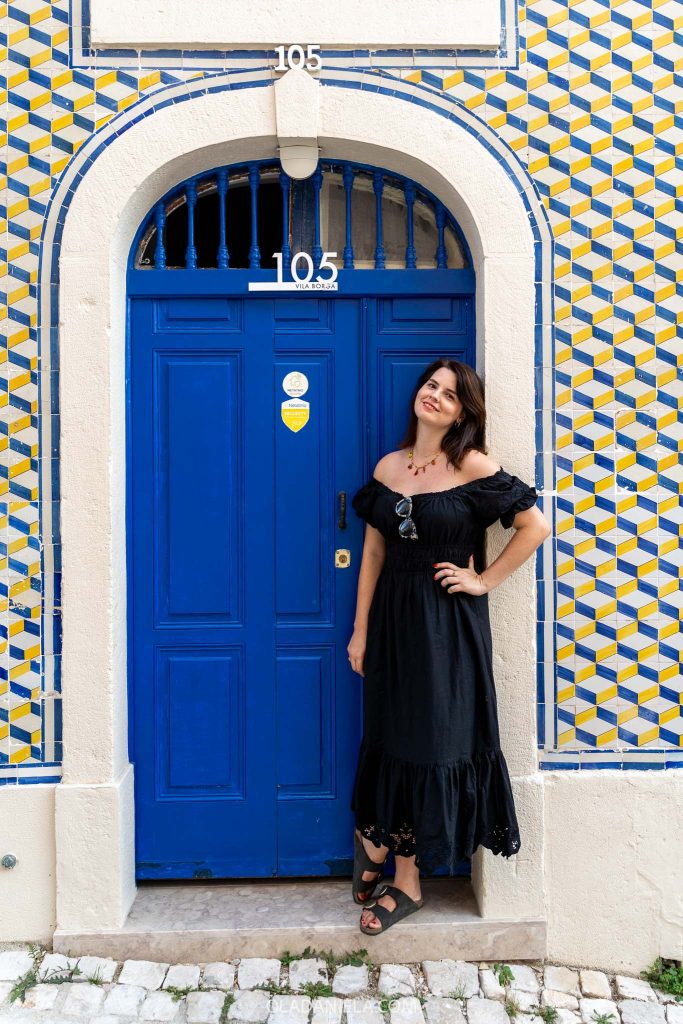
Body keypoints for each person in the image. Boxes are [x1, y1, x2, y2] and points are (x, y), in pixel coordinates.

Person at [347, 357, 551, 936]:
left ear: (465, 412)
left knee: (430, 743)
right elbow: (374, 556)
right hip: (392, 623)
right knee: (391, 734)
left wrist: (483, 581)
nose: (434, 396)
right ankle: (376, 844)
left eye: (450, 394)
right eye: (430, 385)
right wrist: (361, 631)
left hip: (447, 631)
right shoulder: (389, 466)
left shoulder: (474, 466)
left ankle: (404, 879)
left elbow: (534, 527)